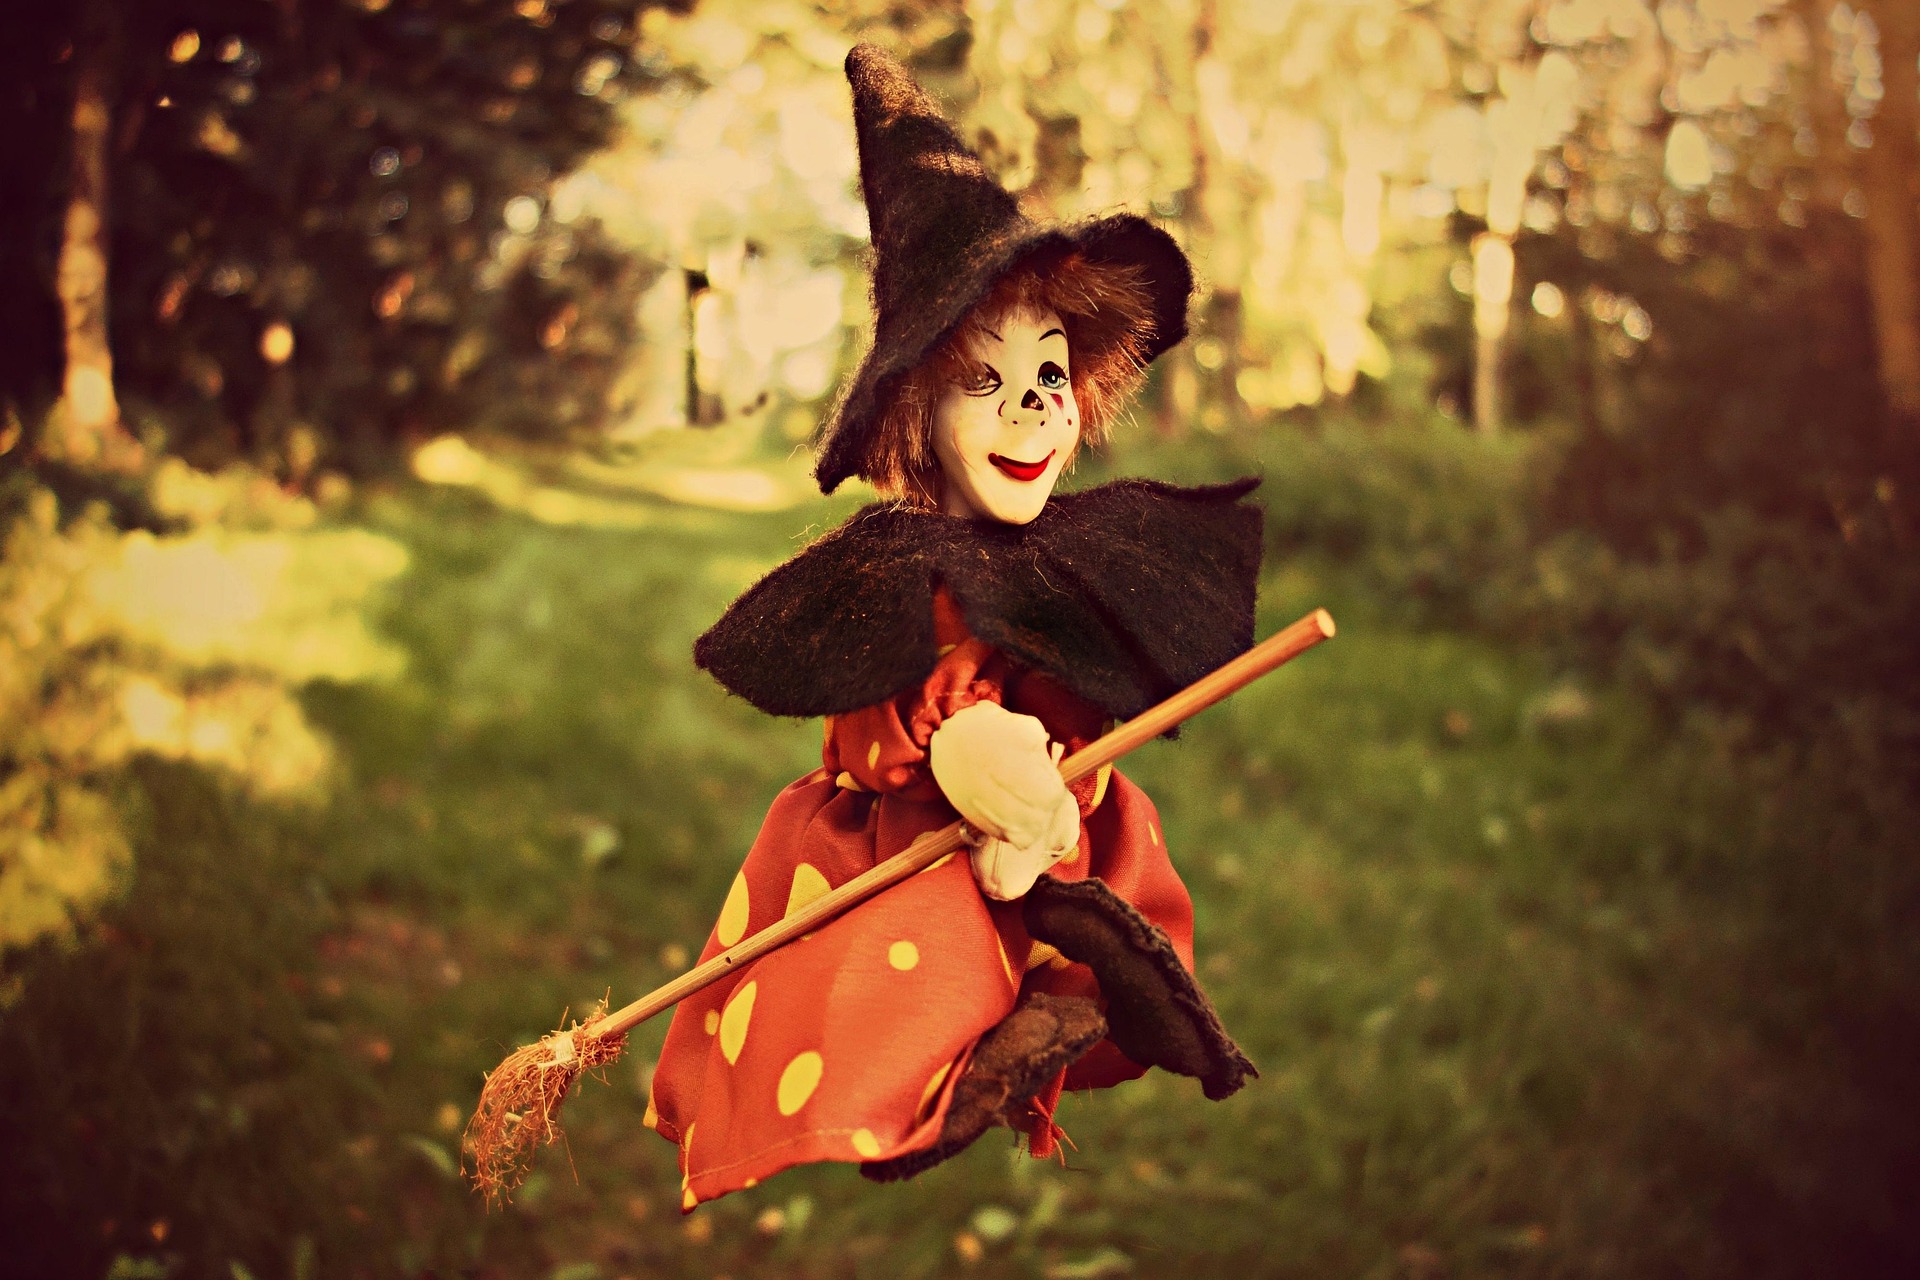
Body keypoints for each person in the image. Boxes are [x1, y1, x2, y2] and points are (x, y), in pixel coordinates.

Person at [646, 44, 1263, 1210]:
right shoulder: (893, 563)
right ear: (915, 407)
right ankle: (932, 1079)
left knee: (1096, 892)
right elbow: (861, 713)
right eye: (984, 380)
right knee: (911, 940)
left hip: (1052, 815)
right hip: (928, 819)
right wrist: (957, 738)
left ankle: (1055, 996)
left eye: (1049, 375)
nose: (1032, 405)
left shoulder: (1084, 546)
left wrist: (1056, 759)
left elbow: (1088, 676)